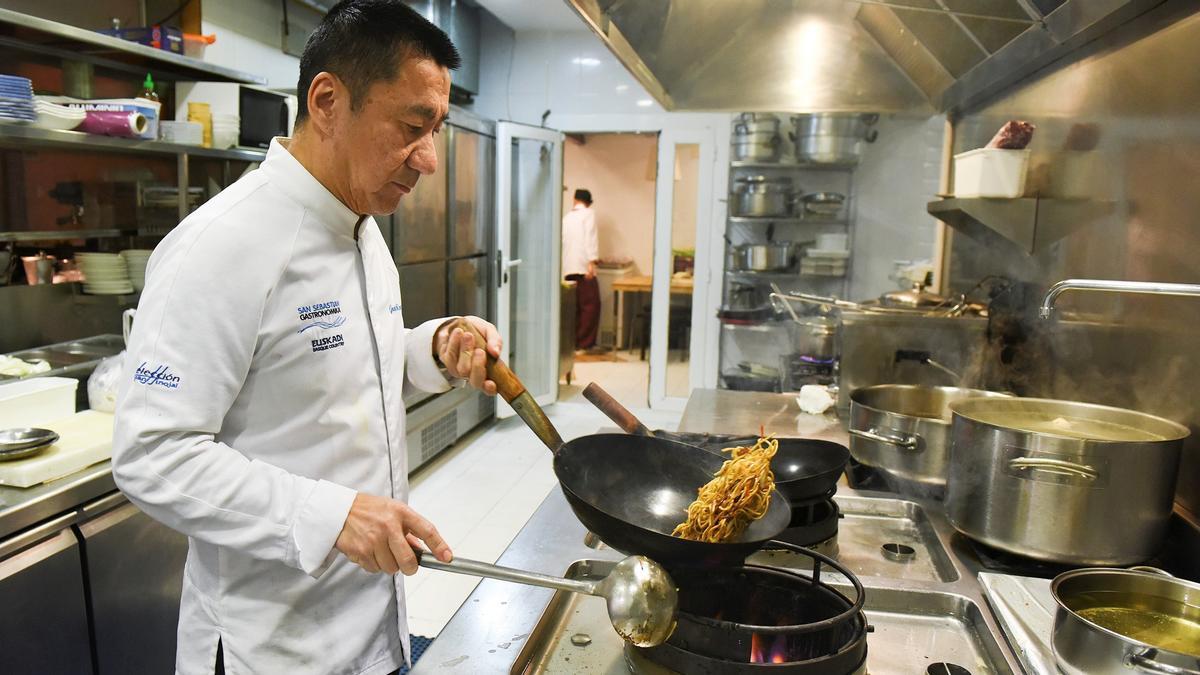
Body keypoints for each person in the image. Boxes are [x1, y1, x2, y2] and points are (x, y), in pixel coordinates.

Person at [111, 3, 501, 674]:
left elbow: (342, 372)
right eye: (413, 125)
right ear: (327, 101)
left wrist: (433, 347)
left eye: (434, 129)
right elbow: (152, 453)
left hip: (376, 630)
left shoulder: (361, 224)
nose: (430, 159)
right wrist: (334, 516)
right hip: (272, 648)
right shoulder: (221, 245)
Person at [562, 188, 601, 351]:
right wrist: (592, 262)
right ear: (588, 202)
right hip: (583, 267)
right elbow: (590, 238)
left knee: (574, 307)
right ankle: (584, 343)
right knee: (591, 306)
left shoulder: (567, 217)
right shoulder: (588, 214)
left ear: (574, 199)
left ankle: (573, 342)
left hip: (567, 268)